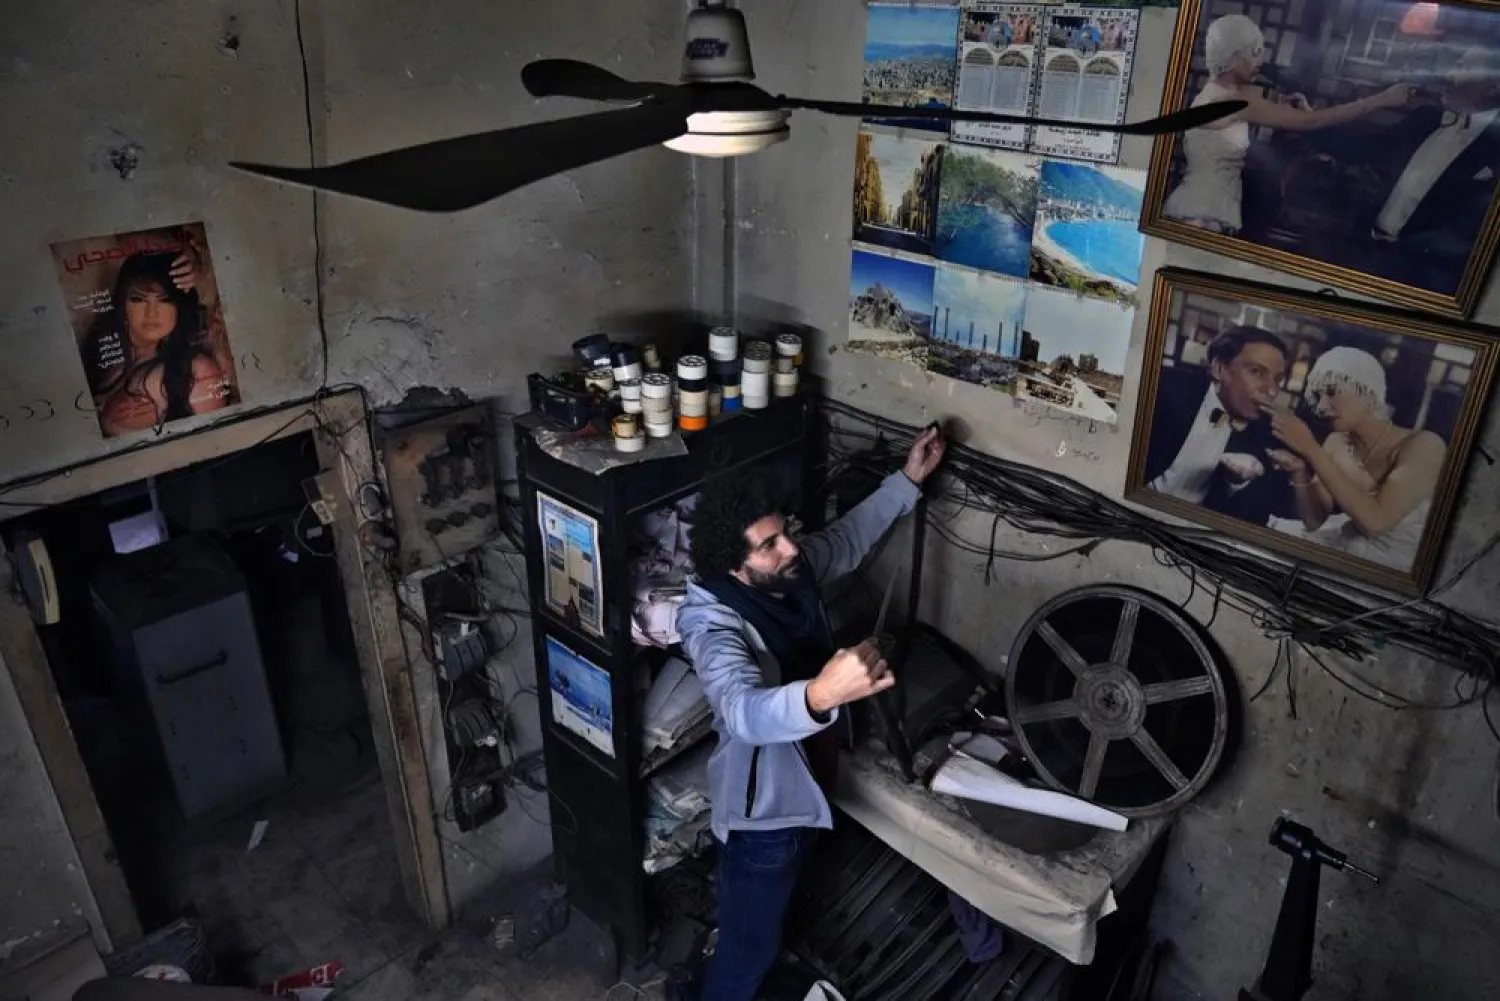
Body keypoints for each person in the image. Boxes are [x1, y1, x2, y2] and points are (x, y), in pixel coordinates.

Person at [677, 426, 946, 1001]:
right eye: (769, 545)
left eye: (785, 533)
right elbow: (743, 712)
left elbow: (847, 539)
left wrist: (908, 480)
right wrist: (821, 695)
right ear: (733, 566)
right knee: (745, 955)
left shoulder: (791, 574)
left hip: (811, 785)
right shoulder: (709, 623)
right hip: (765, 820)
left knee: (770, 921)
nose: (790, 548)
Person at [1162, 13, 1412, 234]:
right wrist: (1381, 99)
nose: (1260, 59)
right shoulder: (1234, 100)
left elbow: (1298, 119)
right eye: (1254, 51)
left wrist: (1295, 112)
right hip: (1203, 212)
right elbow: (1313, 122)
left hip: (1205, 206)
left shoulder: (1214, 93)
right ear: (1234, 55)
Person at [1262, 346, 1446, 570]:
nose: (1320, 407)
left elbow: (1375, 523)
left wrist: (1311, 448)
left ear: (1369, 394)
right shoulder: (1336, 442)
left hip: (1400, 569)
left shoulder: (1425, 445)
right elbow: (1313, 522)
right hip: (1347, 548)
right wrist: (1299, 473)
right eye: (1318, 396)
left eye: (1331, 392)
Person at [1356, 43, 1500, 290]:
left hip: (1426, 280)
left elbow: (1466, 235)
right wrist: (1307, 121)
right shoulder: (1425, 117)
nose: (1449, 75)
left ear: (1493, 87)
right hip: (1367, 253)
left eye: (1463, 68)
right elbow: (1364, 148)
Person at [1145, 326, 1293, 526]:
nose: (1272, 390)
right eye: (1256, 372)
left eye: (1277, 380)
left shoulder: (1264, 434)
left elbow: (1250, 521)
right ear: (1219, 368)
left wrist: (1234, 484)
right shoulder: (1162, 387)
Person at [87, 247, 229, 435]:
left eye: (165, 300)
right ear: (123, 304)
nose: (152, 312)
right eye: (138, 299)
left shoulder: (197, 370)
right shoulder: (102, 355)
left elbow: (216, 440)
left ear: (179, 307)